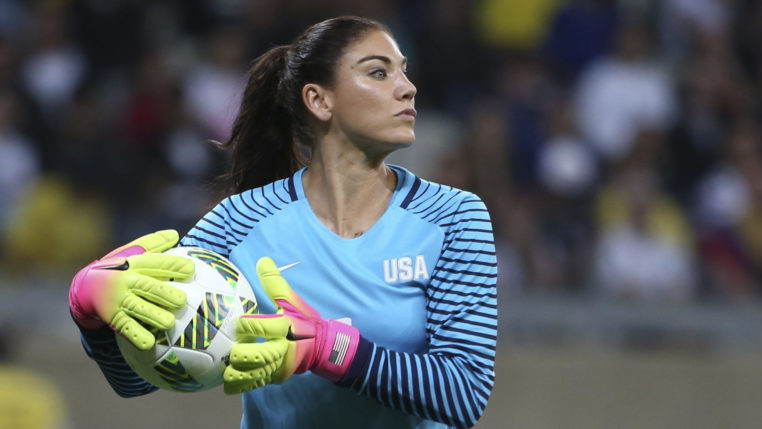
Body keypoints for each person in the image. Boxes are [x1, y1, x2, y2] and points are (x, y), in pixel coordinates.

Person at [67, 16, 498, 429]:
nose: (408, 88)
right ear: (319, 100)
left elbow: (465, 392)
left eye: (404, 71)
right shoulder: (238, 222)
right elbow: (141, 379)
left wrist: (331, 350)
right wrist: (95, 321)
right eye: (379, 73)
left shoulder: (453, 216)